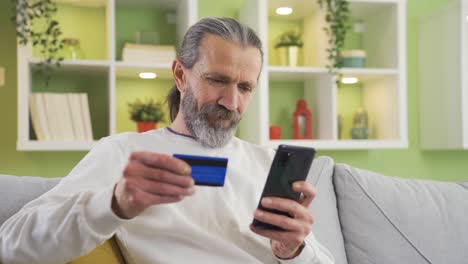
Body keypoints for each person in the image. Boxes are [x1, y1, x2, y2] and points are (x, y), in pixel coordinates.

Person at [0, 17, 334, 264]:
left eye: (245, 87)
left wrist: (294, 250)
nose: (231, 102)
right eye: (217, 80)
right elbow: (11, 243)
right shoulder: (123, 152)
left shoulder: (266, 162)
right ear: (180, 75)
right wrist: (113, 204)